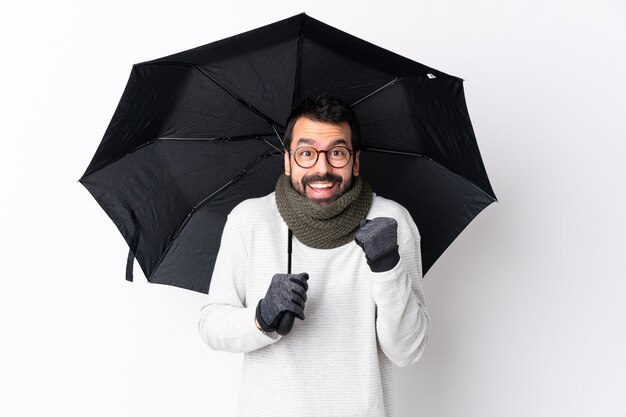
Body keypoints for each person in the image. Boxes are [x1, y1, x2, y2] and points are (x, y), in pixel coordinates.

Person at [198, 94, 430, 416]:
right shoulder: (250, 219)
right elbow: (211, 325)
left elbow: (407, 350)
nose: (322, 168)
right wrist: (262, 316)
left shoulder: (391, 222)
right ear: (288, 160)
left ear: (355, 160)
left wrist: (387, 267)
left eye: (336, 152)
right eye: (307, 153)